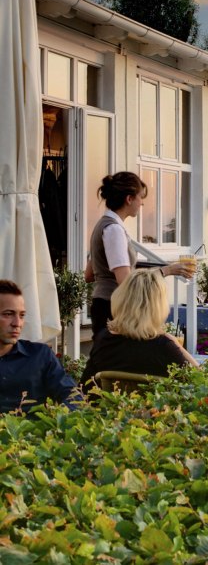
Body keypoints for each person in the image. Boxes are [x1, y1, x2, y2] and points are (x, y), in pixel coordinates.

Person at [86, 172, 194, 339]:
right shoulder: (114, 230)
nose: (142, 203)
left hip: (101, 304)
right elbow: (126, 282)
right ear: (129, 199)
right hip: (114, 308)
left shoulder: (102, 225)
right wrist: (167, 270)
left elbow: (89, 274)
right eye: (140, 197)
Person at [80, 270, 197, 389]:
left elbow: (84, 387)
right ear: (159, 306)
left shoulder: (104, 340)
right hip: (154, 408)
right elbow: (202, 383)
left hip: (109, 407)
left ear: (121, 299)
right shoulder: (164, 346)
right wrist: (175, 343)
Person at [0, 280, 80, 414]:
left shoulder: (40, 355)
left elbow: (73, 397)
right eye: (8, 314)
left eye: (22, 315)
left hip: (35, 432)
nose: (17, 323)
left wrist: (58, 422)